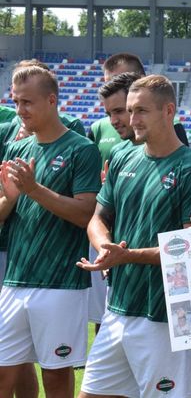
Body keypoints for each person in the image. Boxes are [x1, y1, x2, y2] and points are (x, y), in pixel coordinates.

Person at [76, 74, 191, 398]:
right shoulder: (122, 157)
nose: (132, 119)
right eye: (129, 110)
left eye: (141, 111)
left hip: (164, 315)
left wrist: (126, 256)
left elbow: (190, 249)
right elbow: (98, 218)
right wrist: (105, 247)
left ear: (169, 111)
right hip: (118, 306)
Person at [0, 65, 101, 397]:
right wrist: (10, 199)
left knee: (56, 377)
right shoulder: (16, 150)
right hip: (15, 280)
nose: (20, 110)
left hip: (61, 283)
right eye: (16, 102)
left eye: (27, 102)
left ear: (52, 100)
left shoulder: (81, 149)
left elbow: (86, 213)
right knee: (3, 373)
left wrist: (33, 190)